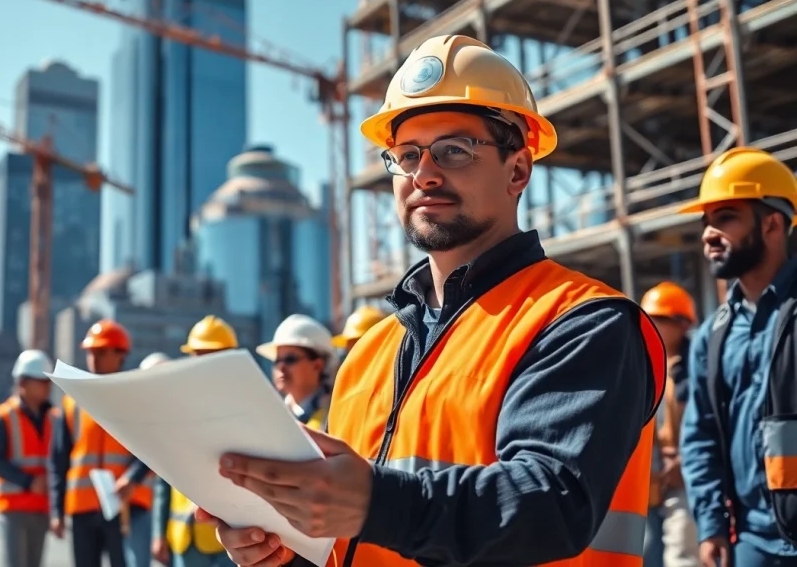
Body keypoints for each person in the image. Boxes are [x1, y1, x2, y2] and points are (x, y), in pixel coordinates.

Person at [198, 34, 667, 567]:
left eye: (453, 150)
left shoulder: (584, 322)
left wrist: (374, 502)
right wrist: (287, 554)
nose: (424, 174)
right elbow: (353, 544)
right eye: (406, 156)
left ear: (518, 170)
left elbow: (551, 504)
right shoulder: (368, 356)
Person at [678, 147, 797, 567]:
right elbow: (701, 436)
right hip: (751, 541)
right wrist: (711, 526)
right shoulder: (712, 334)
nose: (709, 234)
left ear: (772, 224)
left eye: (726, 217)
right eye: (706, 222)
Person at [49, 320, 153, 567]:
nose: (93, 358)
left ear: (121, 355)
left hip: (125, 506)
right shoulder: (71, 402)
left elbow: (151, 447)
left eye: (101, 351)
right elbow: (58, 460)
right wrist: (57, 511)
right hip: (82, 507)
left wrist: (133, 478)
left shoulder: (135, 399)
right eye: (90, 352)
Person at [151, 315, 238, 567]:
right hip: (185, 538)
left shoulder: (243, 407)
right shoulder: (176, 411)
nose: (203, 362)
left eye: (212, 355)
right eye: (198, 355)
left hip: (229, 539)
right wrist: (159, 534)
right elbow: (163, 480)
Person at [640, 282, 700, 567]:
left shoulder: (697, 368)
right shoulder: (642, 365)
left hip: (684, 479)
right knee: (646, 554)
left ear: (682, 323)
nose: (651, 325)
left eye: (659, 320)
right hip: (648, 480)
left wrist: (684, 461)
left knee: (682, 556)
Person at [0, 349, 55, 567]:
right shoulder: (3, 416)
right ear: (23, 382)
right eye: (41, 381)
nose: (47, 386)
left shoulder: (53, 418)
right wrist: (28, 482)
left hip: (41, 507)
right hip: (12, 507)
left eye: (48, 381)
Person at [256, 314, 336, 429]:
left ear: (317, 366)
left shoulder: (337, 412)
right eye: (277, 360)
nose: (281, 367)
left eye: (290, 359)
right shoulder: (270, 417)